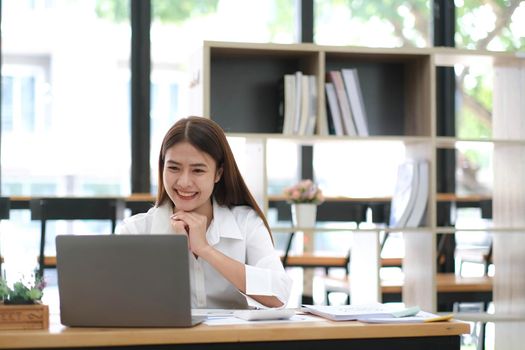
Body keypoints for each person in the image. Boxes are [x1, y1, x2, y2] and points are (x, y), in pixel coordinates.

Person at [117, 116, 292, 309]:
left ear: (218, 173)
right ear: (162, 168)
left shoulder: (246, 222)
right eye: (174, 168)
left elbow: (278, 295)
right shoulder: (135, 230)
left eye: (198, 171)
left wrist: (205, 249)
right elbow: (118, 303)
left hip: (234, 339)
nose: (184, 182)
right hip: (164, 339)